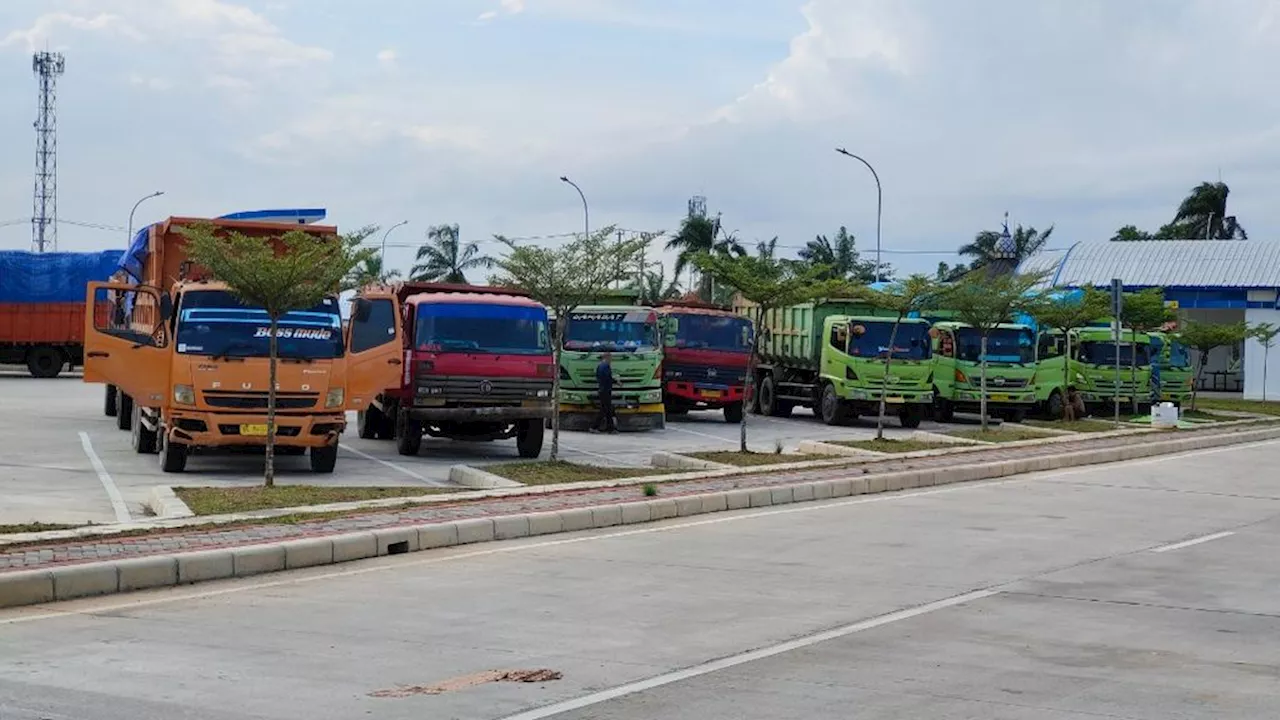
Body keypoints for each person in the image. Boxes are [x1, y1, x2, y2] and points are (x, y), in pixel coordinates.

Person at [592, 352, 618, 433]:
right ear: (607, 358)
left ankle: (610, 428)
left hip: (602, 389)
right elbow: (608, 378)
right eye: (610, 358)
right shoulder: (605, 366)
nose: (611, 360)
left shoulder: (600, 366)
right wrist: (616, 381)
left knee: (608, 410)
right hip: (605, 390)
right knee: (605, 409)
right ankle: (594, 427)